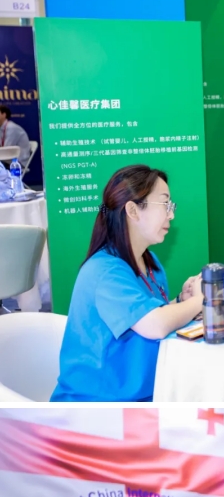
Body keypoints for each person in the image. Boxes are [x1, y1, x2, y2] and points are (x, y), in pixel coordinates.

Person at [51, 165, 203, 402]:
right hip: (97, 404)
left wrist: (180, 301)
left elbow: (147, 315)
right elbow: (154, 325)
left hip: (142, 394)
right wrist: (201, 300)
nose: (171, 215)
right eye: (165, 204)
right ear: (132, 210)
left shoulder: (149, 261)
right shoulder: (105, 270)